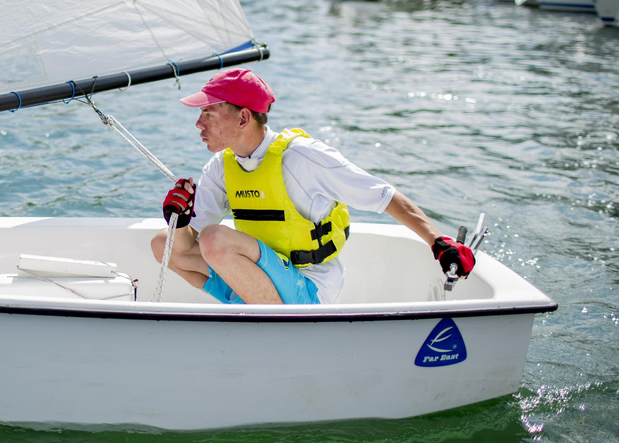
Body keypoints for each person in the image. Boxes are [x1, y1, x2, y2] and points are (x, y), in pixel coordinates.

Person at [150, 68, 475, 305]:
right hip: (265, 279)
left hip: (309, 287)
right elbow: (181, 248)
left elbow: (385, 197)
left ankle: (277, 325)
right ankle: (251, 306)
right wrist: (177, 220)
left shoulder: (303, 157)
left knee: (215, 239)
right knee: (163, 242)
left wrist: (439, 243)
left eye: (208, 113)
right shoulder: (223, 165)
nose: (198, 123)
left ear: (243, 118)